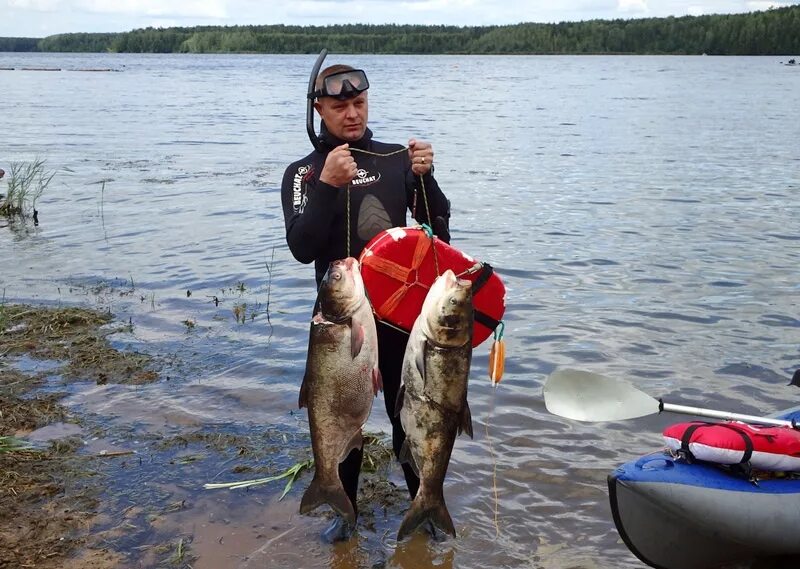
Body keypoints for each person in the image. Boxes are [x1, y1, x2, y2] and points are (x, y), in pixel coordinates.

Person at [280, 64, 451, 541]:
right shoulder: (303, 173)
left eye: (359, 104)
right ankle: (344, 510)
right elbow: (302, 247)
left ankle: (426, 502)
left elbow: (439, 226)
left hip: (399, 317)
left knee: (410, 410)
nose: (352, 114)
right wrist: (329, 185)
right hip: (338, 321)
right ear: (318, 109)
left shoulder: (396, 157)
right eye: (339, 106)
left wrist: (428, 177)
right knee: (341, 413)